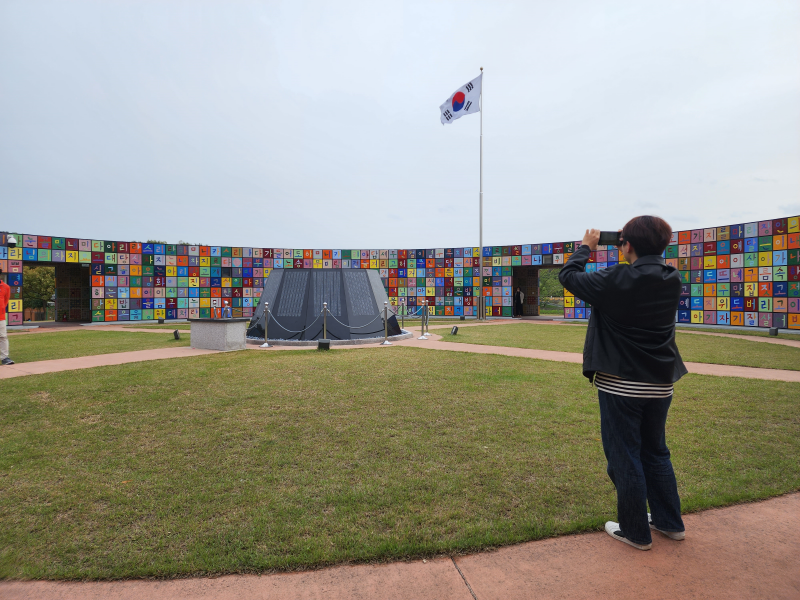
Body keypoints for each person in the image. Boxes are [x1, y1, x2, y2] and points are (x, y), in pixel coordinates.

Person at [559, 216, 687, 551]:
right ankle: (669, 523)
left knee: (625, 456)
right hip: (661, 383)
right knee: (656, 452)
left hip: (622, 385)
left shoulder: (618, 278)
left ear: (625, 245)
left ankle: (635, 532)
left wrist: (585, 247)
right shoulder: (672, 277)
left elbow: (568, 276)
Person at [0, 266, 14, 365]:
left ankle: (4, 358)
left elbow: (5, 302)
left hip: (1, 317)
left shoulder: (6, 287)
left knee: (3, 337)